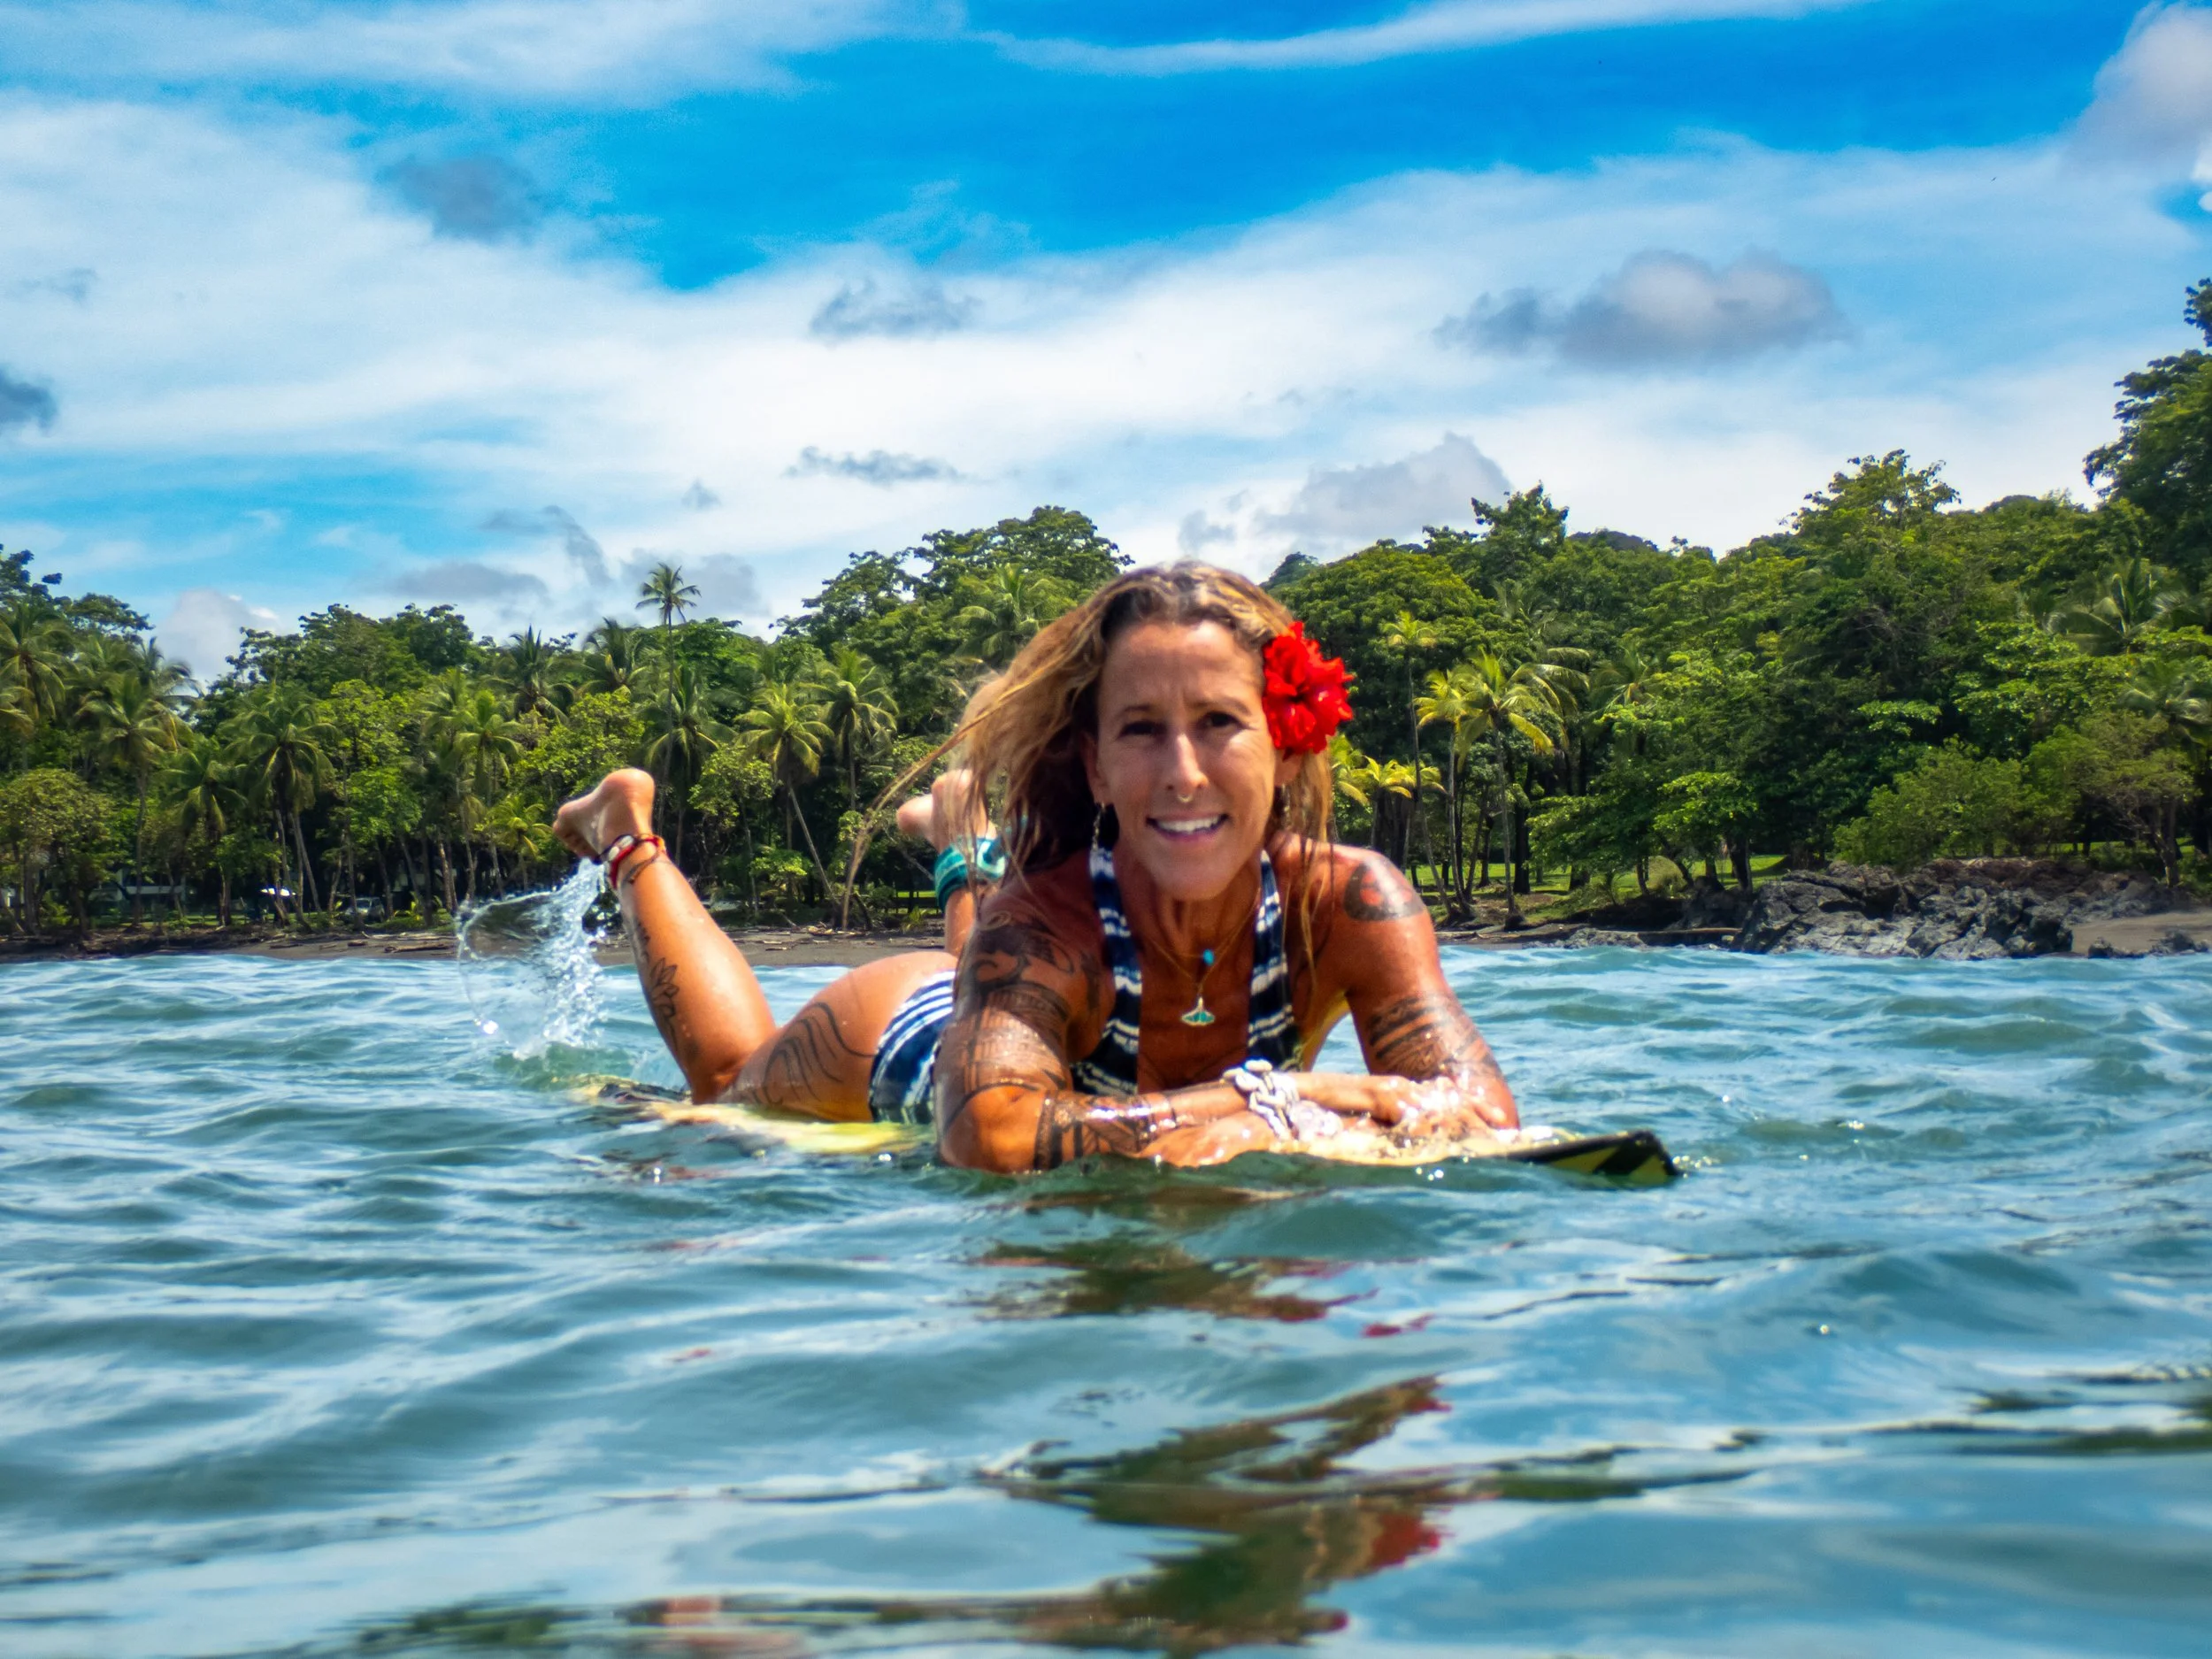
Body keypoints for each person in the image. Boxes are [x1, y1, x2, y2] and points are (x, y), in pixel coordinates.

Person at [551, 563, 1519, 1172]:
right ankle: (629, 838)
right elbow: (989, 1140)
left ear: (1284, 744)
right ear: (1094, 765)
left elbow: (1481, 1117)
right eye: (1141, 731)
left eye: (1220, 724)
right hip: (910, 1043)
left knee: (1025, 945)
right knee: (721, 1090)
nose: (1184, 774)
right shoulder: (1034, 927)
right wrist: (1286, 1098)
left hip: (1031, 1001)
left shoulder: (1348, 902)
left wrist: (1290, 1118)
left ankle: (958, 834)